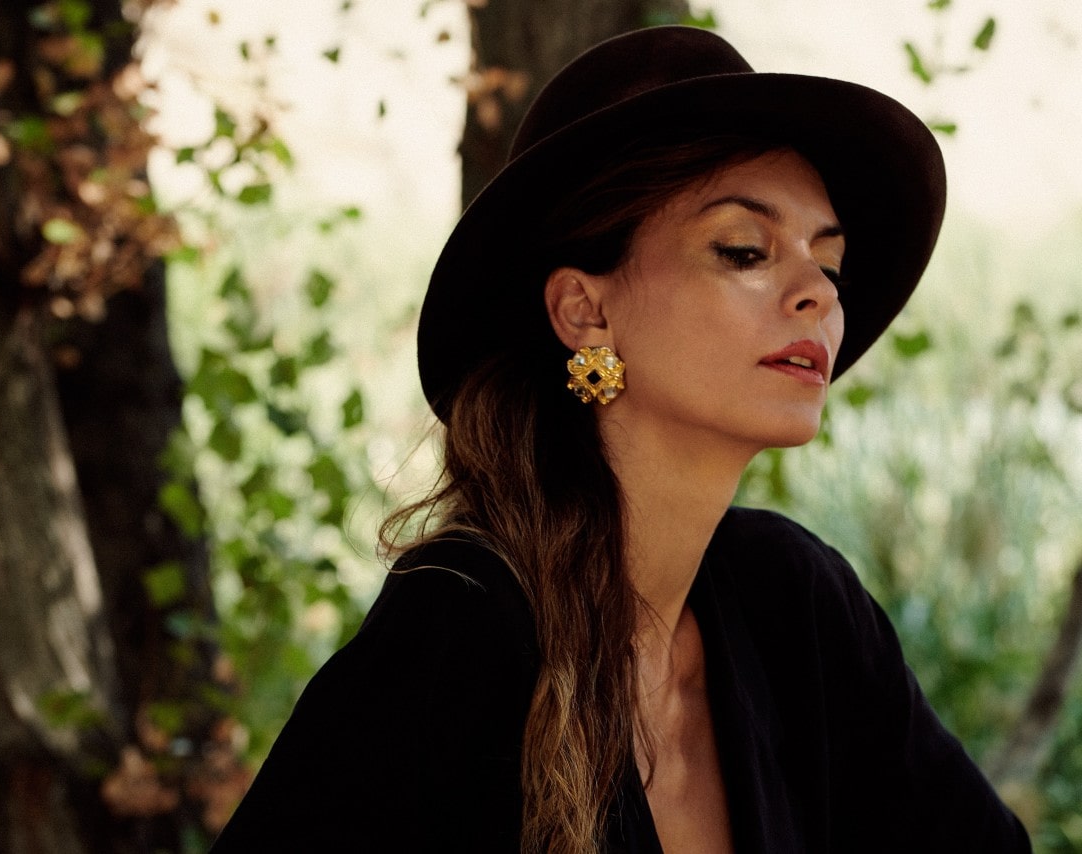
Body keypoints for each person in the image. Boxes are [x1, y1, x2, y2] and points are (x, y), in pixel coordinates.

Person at [211, 26, 1031, 853]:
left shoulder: (796, 604)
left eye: (831, 263)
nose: (815, 293)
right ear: (584, 311)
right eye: (745, 250)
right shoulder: (463, 626)